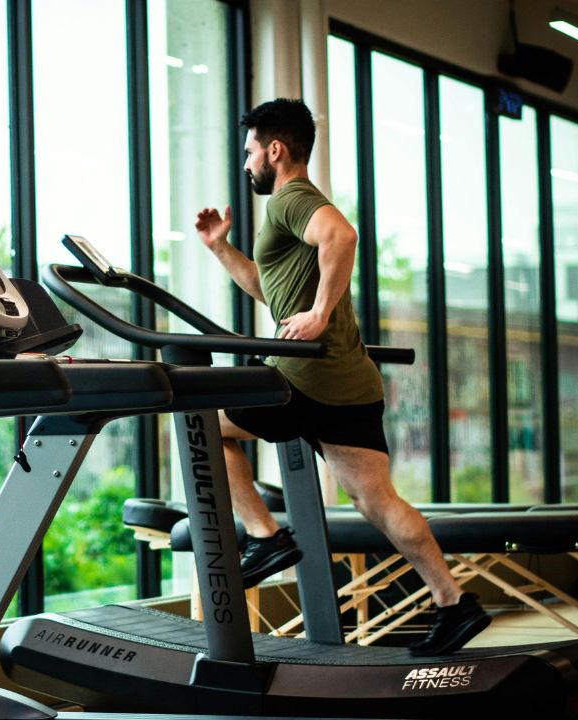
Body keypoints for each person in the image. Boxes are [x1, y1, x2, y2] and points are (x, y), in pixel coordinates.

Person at [195, 98, 490, 656]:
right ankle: (453, 602)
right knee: (378, 501)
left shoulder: (292, 199)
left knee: (200, 422)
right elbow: (272, 290)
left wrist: (320, 315)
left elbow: (343, 238)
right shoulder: (292, 209)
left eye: (250, 152)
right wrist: (221, 249)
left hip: (303, 376)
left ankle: (265, 538)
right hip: (350, 381)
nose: (247, 164)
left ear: (274, 150)